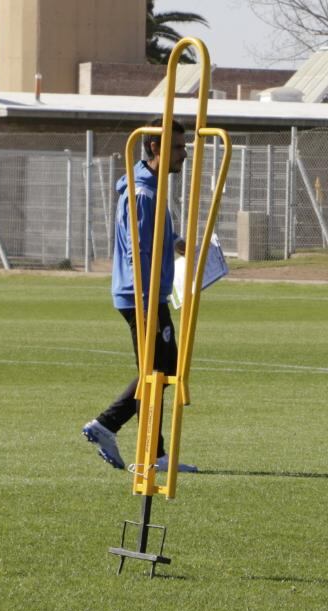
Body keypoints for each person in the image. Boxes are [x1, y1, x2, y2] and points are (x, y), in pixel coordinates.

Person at [83, 117, 198, 474]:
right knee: (156, 370)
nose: (183, 155)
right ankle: (107, 424)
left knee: (165, 368)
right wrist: (151, 299)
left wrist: (177, 244)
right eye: (177, 148)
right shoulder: (144, 192)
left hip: (146, 293)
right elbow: (138, 249)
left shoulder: (149, 186)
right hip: (141, 296)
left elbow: (151, 241)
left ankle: (155, 452)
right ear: (154, 148)